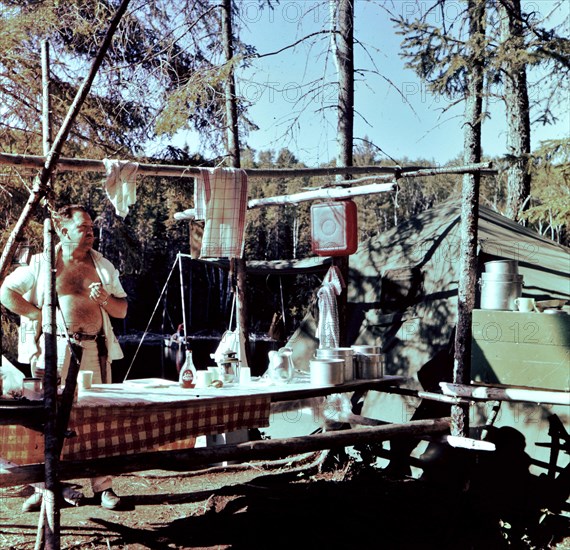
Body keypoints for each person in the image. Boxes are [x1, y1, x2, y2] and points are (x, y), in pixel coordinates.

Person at [0, 204, 128, 511]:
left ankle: (103, 486)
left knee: (99, 416)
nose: (90, 235)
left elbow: (122, 310)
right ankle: (47, 485)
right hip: (53, 351)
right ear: (64, 230)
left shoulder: (102, 265)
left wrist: (105, 300)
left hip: (94, 351)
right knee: (48, 419)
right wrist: (38, 314)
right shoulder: (42, 263)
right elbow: (6, 292)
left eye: (92, 229)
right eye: (84, 229)